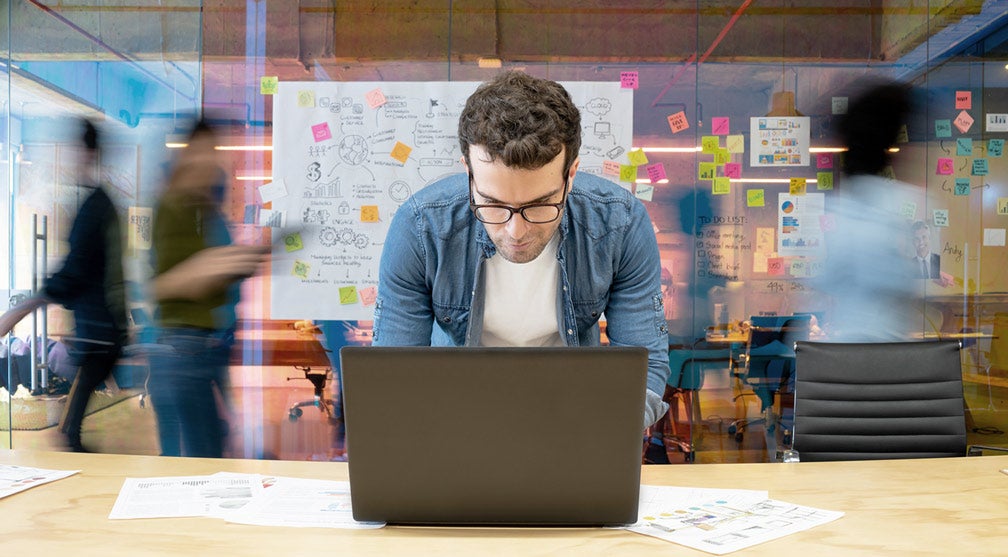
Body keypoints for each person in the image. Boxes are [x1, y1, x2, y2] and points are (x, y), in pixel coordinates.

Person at [373, 71, 670, 428]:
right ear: (468, 171)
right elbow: (395, 376)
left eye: (540, 205)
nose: (516, 231)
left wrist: (608, 437)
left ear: (571, 174)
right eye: (493, 204)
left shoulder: (620, 224)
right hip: (454, 418)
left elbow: (644, 366)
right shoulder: (421, 227)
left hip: (576, 418)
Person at [0, 118, 127, 452]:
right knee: (71, 424)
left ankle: (78, 456)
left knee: (71, 426)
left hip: (99, 331)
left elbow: (78, 270)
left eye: (73, 151)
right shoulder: (100, 204)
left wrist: (24, 306)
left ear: (87, 153)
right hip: (99, 328)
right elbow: (84, 271)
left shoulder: (96, 207)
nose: (67, 159)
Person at [148, 119, 267, 457]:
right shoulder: (172, 207)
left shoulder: (205, 209)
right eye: (205, 151)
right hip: (183, 351)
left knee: (212, 454)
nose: (213, 161)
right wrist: (218, 265)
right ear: (187, 155)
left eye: (215, 152)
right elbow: (163, 284)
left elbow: (212, 272)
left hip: (211, 346)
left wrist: (239, 262)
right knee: (194, 464)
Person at [815, 81, 924, 341]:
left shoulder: (840, 207)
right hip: (886, 351)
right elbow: (900, 283)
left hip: (846, 351)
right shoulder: (901, 203)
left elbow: (829, 277)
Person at [910, 220, 954, 287]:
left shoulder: (939, 260)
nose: (921, 242)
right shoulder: (909, 265)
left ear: (929, 238)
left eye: (924, 237)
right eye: (917, 239)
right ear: (913, 242)